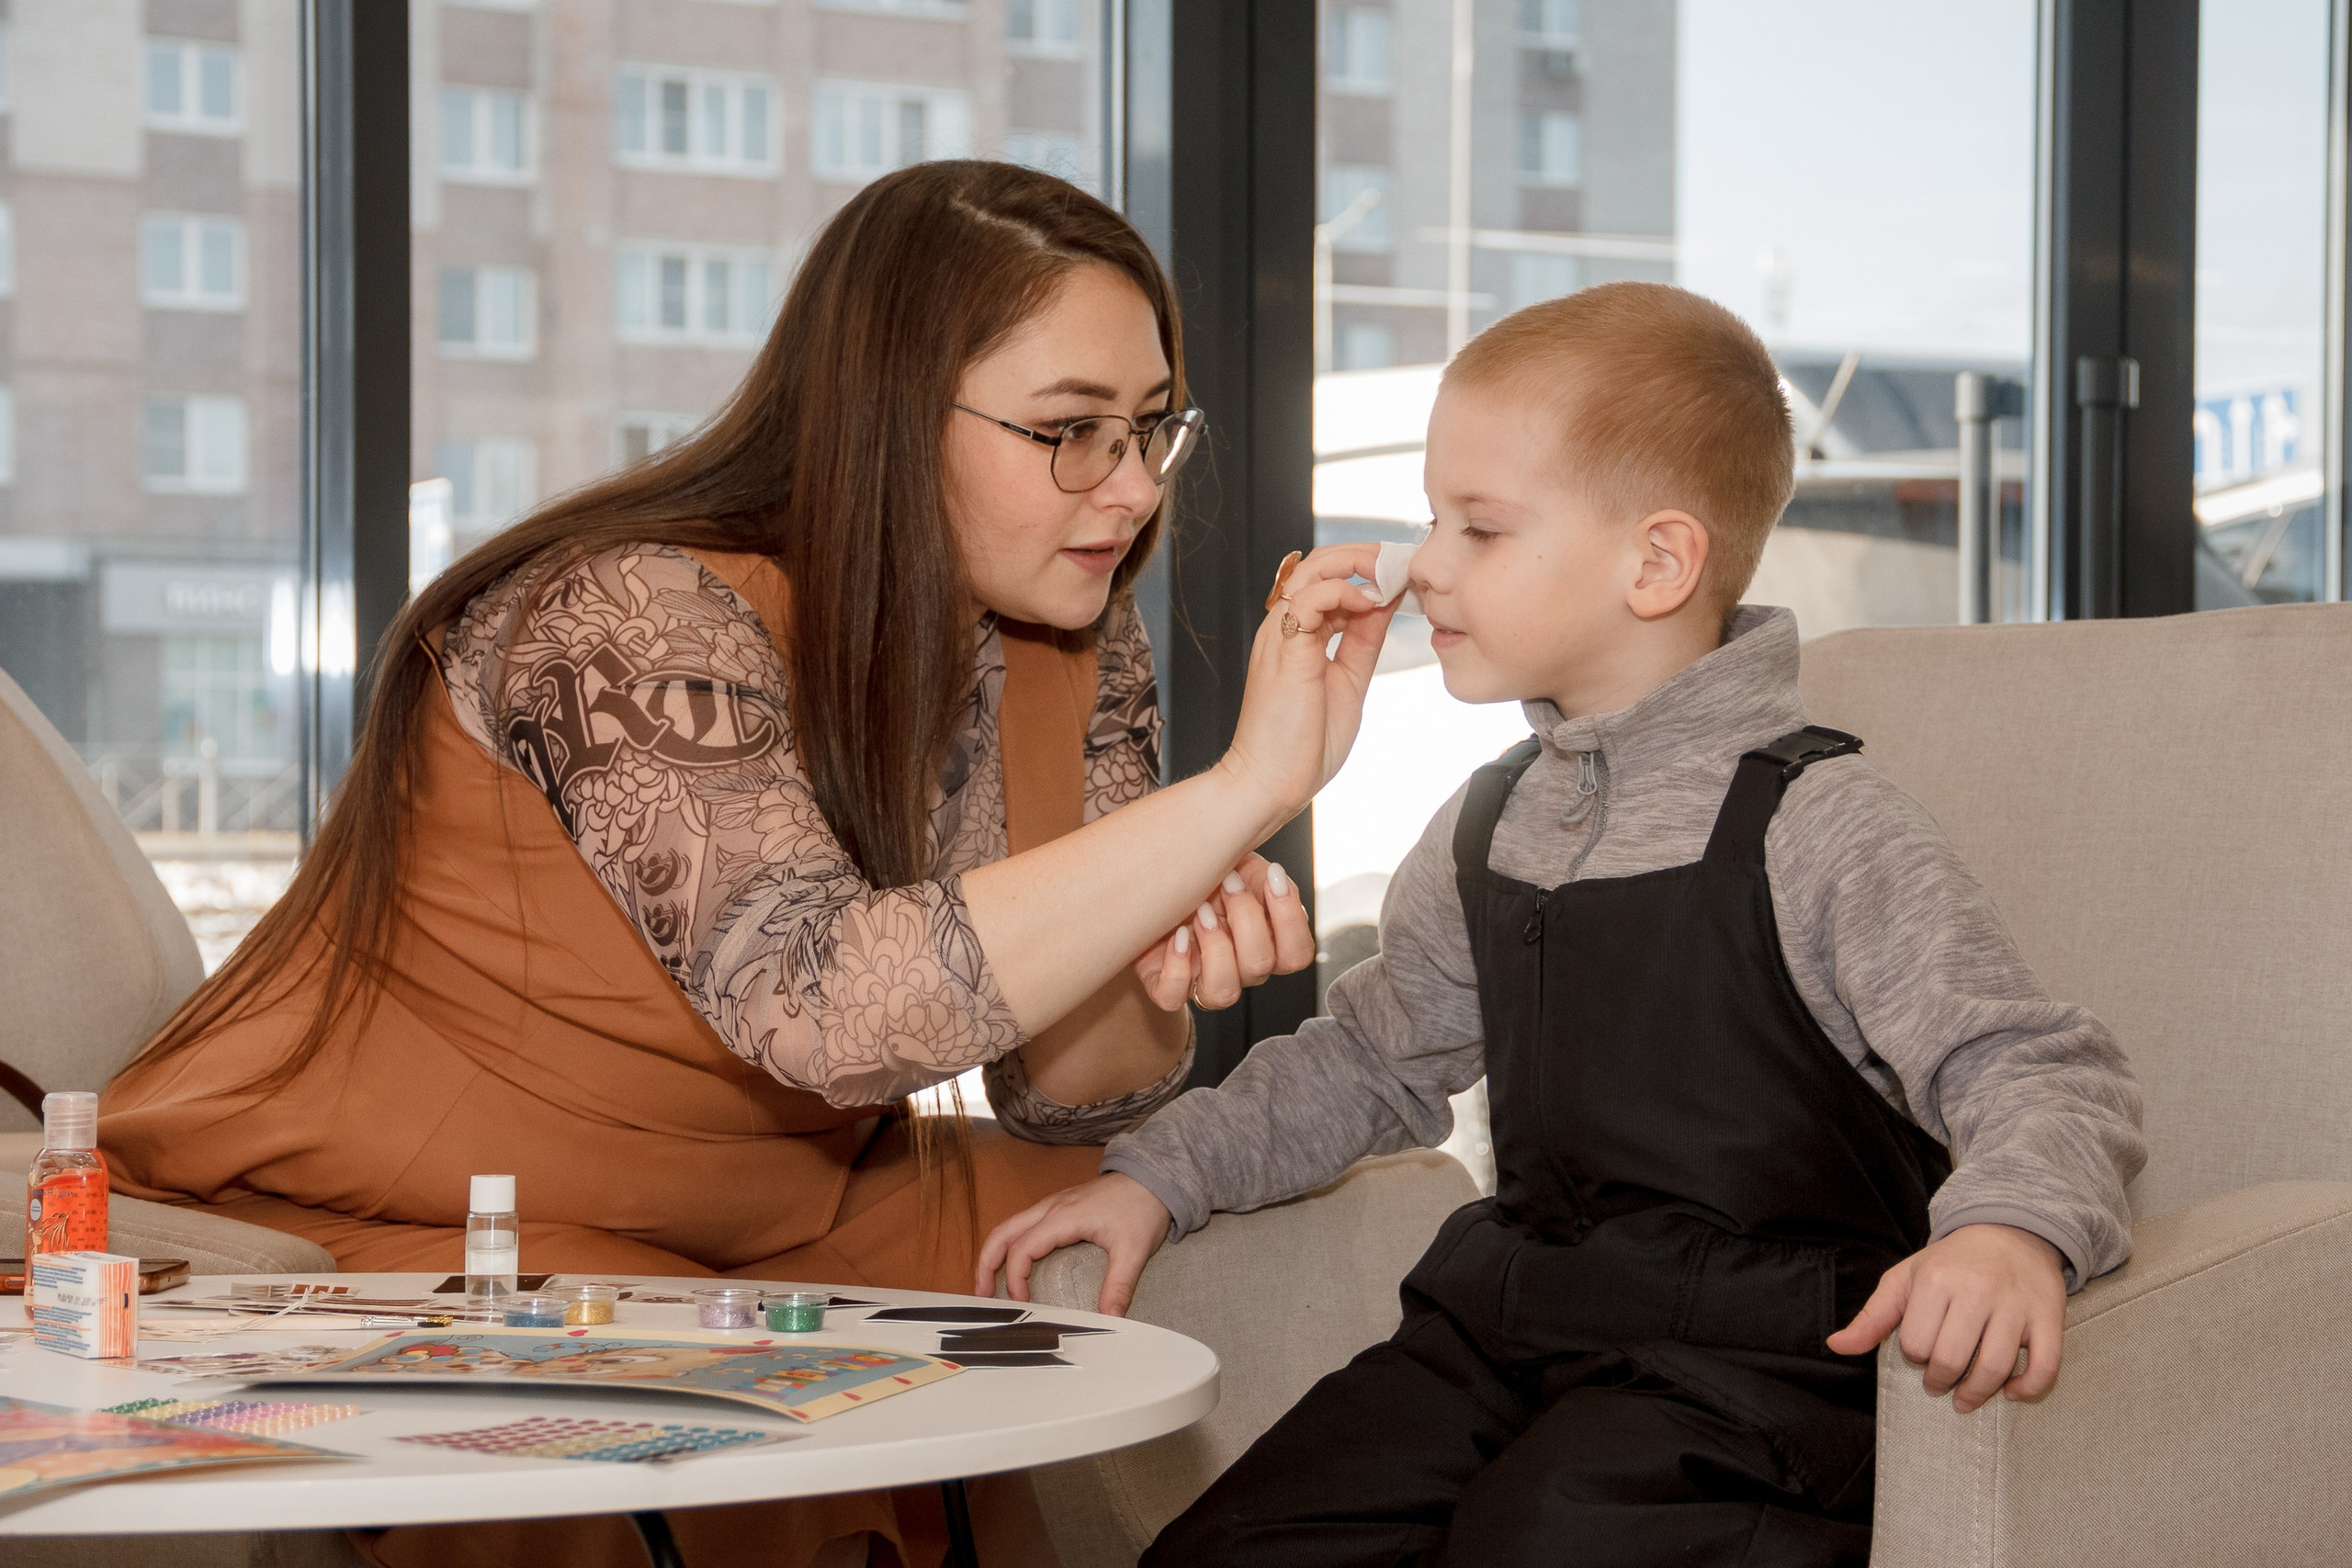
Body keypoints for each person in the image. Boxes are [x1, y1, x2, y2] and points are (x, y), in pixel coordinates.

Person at [96, 162, 1398, 1568]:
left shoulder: (1067, 622)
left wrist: (1155, 932)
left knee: (1263, 1205)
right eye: (1072, 431)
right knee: (737, 1448)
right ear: (891, 415)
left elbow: (1072, 1094)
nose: (1133, 489)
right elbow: (821, 1010)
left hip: (780, 1191)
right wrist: (1241, 794)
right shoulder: (623, 611)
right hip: (407, 1208)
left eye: (1150, 428)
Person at [978, 281, 2148, 1566]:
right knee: (1241, 1542)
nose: (1425, 564)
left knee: (1543, 1533)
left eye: (1480, 528)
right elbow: (1369, 1062)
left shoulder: (1825, 824)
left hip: (1770, 1374)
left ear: (1658, 563)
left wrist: (2008, 1229)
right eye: (1433, 518)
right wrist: (1162, 1175)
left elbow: (2039, 1070)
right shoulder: (1488, 821)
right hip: (1508, 1334)